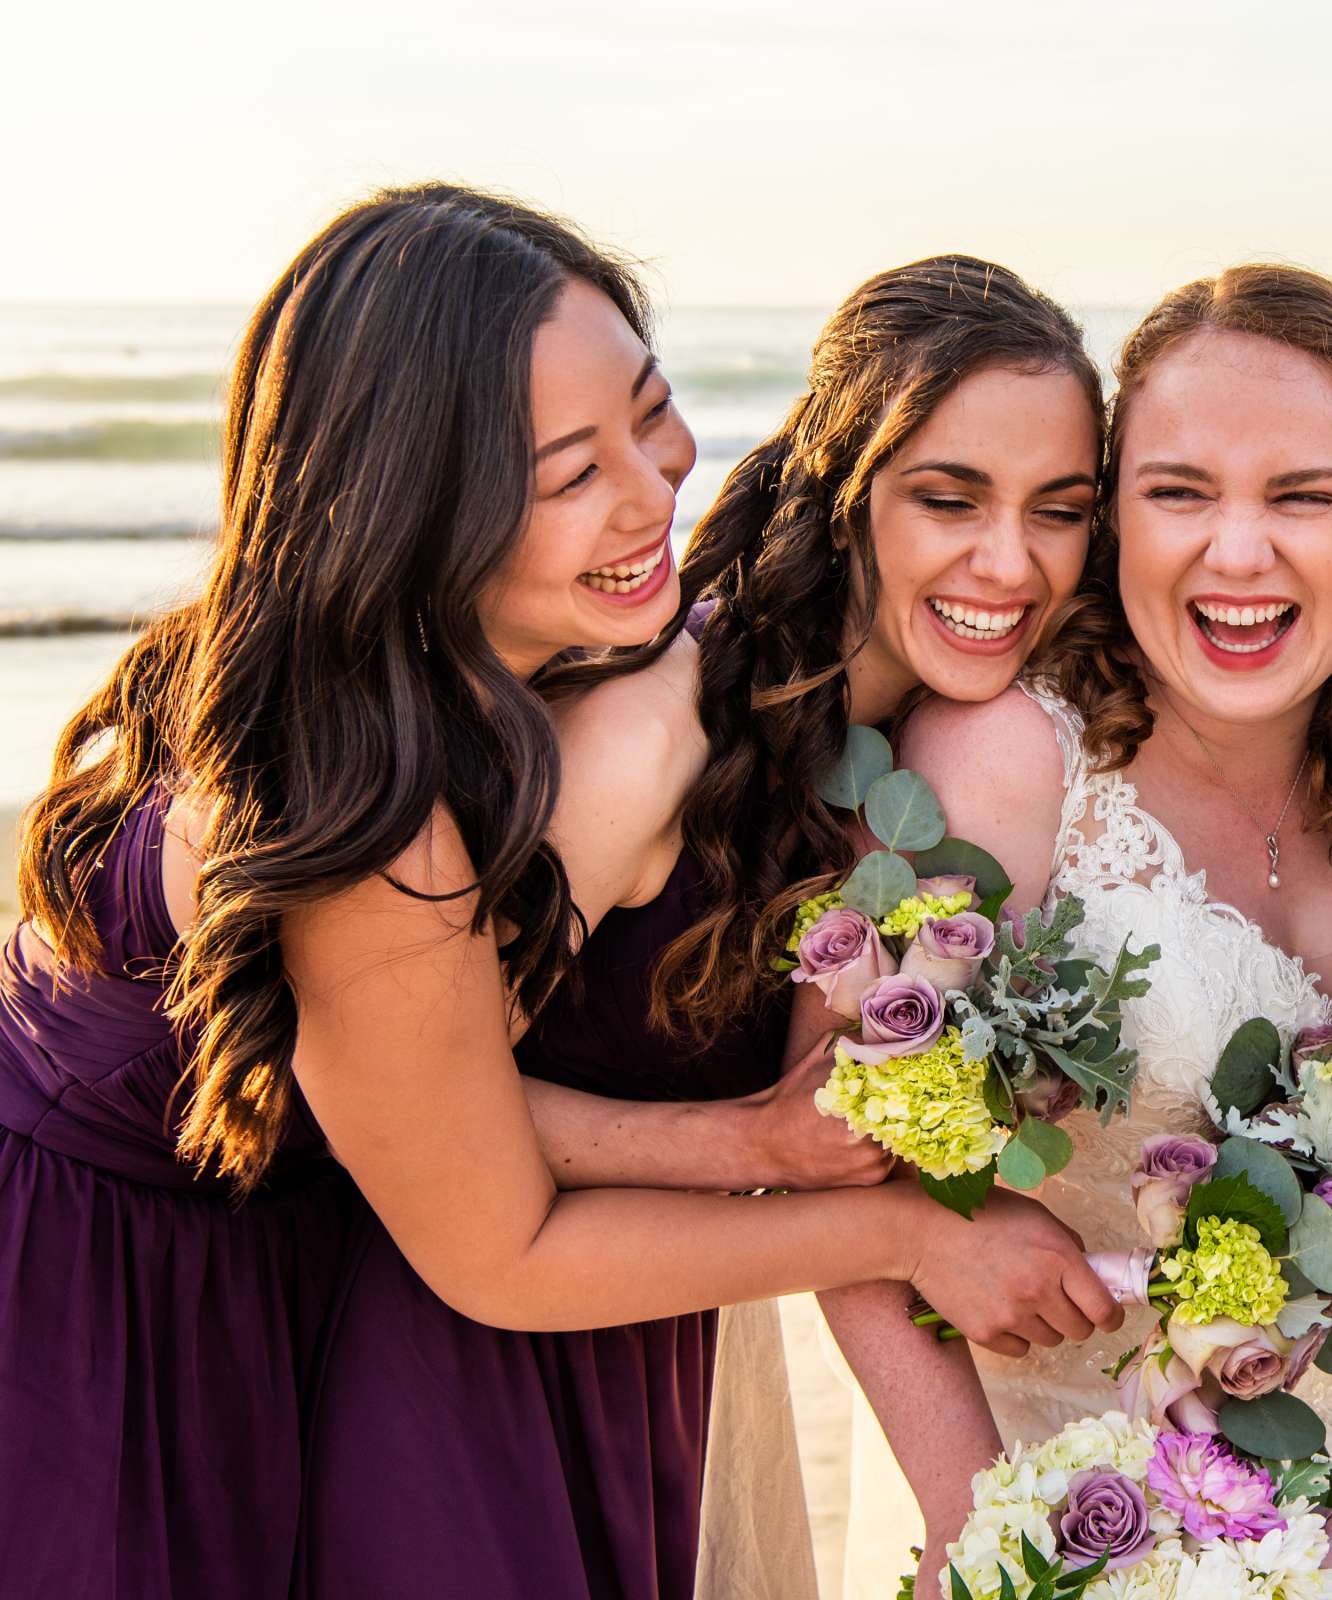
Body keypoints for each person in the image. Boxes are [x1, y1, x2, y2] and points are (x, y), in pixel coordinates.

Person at [0, 187, 1105, 1600]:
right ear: (420, 498)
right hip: (110, 1315)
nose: (655, 495)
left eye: (651, 415)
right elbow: (481, 1214)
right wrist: (819, 1183)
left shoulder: (504, 675)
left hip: (289, 1267)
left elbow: (433, 1100)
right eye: (568, 471)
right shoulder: (387, 811)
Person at [298, 250, 1126, 1599]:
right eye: (949, 497)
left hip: (638, 1332)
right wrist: (755, 1145)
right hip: (466, 1358)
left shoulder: (901, 755)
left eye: (1061, 509)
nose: (1010, 561)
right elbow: (395, 1113)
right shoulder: (652, 732)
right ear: (847, 487)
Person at [826, 265, 1332, 1599]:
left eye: (1304, 496)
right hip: (1097, 1504)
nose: (1239, 551)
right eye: (1180, 491)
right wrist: (971, 1522)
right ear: (1113, 514)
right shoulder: (1003, 766)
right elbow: (843, 1160)